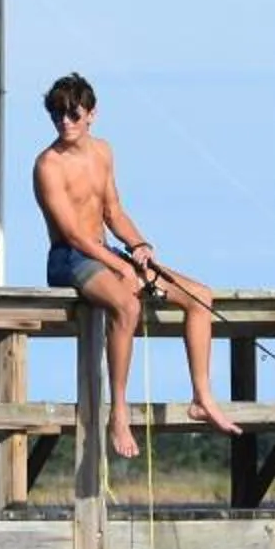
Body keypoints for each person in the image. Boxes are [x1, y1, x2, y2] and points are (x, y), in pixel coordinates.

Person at [31, 72, 240, 459]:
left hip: (105, 250)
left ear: (92, 113)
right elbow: (74, 236)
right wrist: (120, 266)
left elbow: (114, 211)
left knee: (200, 296)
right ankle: (120, 411)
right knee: (127, 305)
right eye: (56, 115)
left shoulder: (103, 152)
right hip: (69, 259)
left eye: (72, 114)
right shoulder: (48, 165)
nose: (65, 123)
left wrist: (139, 246)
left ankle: (202, 397)